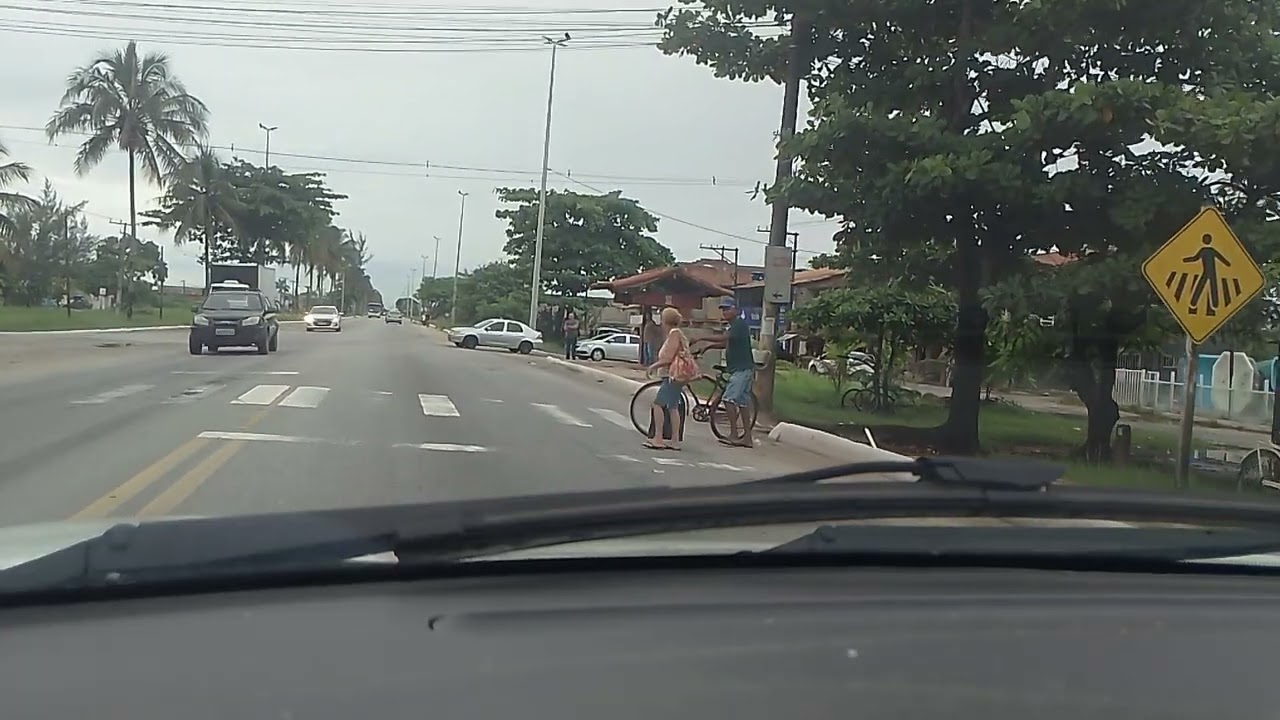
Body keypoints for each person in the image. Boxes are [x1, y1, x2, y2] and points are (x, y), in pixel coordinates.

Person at [691, 297, 755, 448]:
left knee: (729, 399)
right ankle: (747, 437)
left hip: (742, 368)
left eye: (727, 309)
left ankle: (734, 434)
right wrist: (707, 347)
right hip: (739, 368)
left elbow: (724, 338)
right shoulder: (732, 326)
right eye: (723, 309)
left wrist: (701, 337)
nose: (725, 312)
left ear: (735, 309)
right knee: (742, 402)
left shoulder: (738, 324)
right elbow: (725, 342)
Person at [643, 307, 693, 451]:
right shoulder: (678, 333)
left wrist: (653, 366)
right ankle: (674, 440)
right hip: (676, 376)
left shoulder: (673, 334)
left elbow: (668, 357)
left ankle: (658, 438)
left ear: (665, 320)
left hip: (671, 376)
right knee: (673, 407)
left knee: (658, 404)